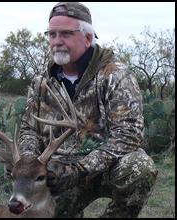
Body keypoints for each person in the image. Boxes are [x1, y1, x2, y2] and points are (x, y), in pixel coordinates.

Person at [18, 2, 158, 218]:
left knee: (138, 167)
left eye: (65, 34)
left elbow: (129, 135)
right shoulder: (41, 83)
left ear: (88, 38)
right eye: (52, 34)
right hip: (58, 174)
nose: (57, 42)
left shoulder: (114, 75)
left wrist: (81, 169)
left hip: (106, 167)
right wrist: (30, 162)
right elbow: (29, 128)